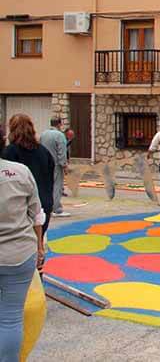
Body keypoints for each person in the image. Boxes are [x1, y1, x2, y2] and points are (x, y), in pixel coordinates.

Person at [0, 128, 46, 362]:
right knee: (10, 317)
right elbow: (36, 214)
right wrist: (39, 246)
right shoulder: (19, 172)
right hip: (18, 254)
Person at [2, 115, 55, 235]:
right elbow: (51, 179)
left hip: (21, 210)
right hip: (43, 206)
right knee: (38, 244)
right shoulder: (43, 151)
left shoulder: (9, 153)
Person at [40, 118, 70, 217]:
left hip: (44, 163)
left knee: (47, 186)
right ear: (59, 124)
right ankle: (57, 209)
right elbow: (62, 152)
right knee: (57, 186)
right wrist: (64, 165)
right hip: (56, 164)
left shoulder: (43, 134)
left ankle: (46, 206)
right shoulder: (60, 135)